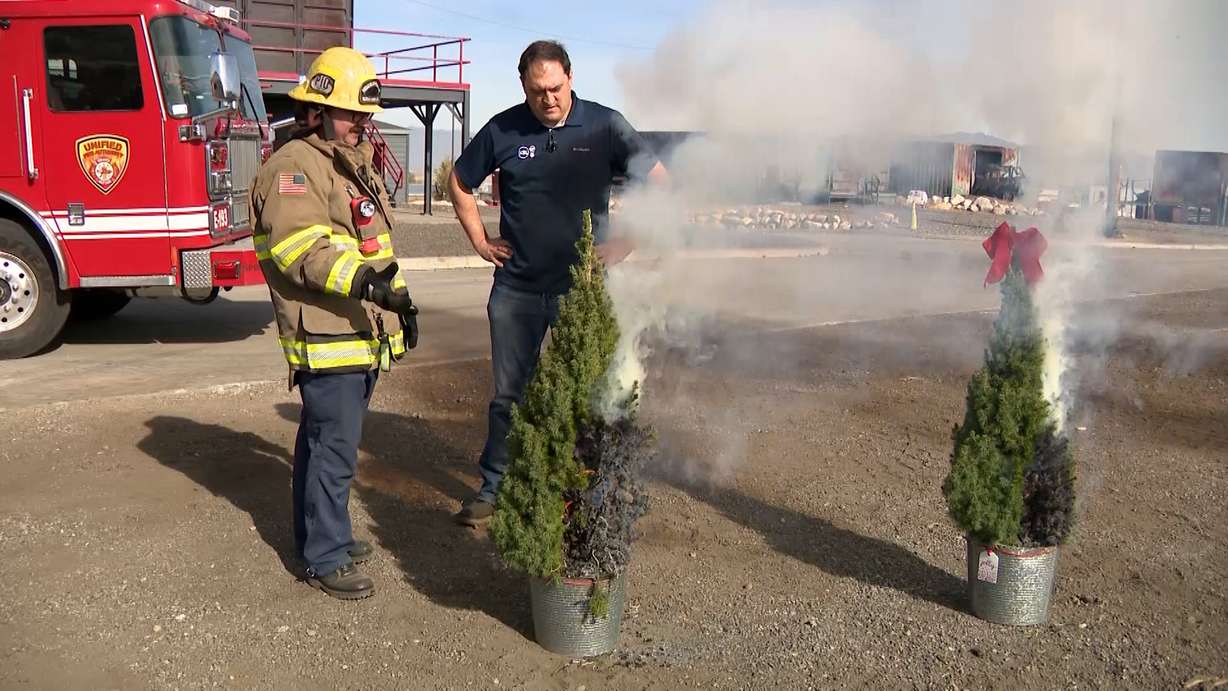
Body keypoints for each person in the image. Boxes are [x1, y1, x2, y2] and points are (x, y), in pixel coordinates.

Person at [449, 40, 667, 526]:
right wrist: (481, 240)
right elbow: (460, 183)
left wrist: (625, 244)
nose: (548, 99)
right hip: (518, 290)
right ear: (523, 86)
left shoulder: (605, 125)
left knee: (588, 391)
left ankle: (586, 488)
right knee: (509, 395)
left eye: (555, 87)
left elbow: (660, 181)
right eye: (536, 90)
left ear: (570, 76)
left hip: (582, 290)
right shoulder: (504, 128)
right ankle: (495, 487)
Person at [250, 47, 419, 599]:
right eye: (350, 115)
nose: (360, 125)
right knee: (333, 450)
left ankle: (323, 536)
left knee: (320, 443)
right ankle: (326, 555)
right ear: (317, 111)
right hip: (325, 333)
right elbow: (301, 248)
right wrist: (367, 285)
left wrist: (399, 307)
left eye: (365, 116)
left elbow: (372, 247)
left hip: (353, 329)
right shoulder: (294, 166)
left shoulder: (346, 161)